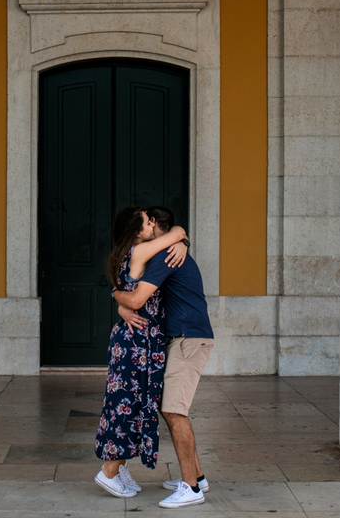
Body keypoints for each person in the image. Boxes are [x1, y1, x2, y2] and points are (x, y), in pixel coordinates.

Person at [114, 205, 213, 509]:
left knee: (173, 411)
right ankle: (197, 477)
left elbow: (137, 298)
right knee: (171, 408)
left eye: (147, 222)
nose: (146, 227)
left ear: (154, 224)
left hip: (187, 338)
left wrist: (116, 297)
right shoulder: (172, 248)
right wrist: (182, 239)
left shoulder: (163, 256)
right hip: (184, 337)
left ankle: (191, 488)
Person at [93, 206, 187, 499]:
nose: (152, 225)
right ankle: (109, 471)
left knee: (123, 402)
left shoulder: (122, 255)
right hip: (139, 343)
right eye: (147, 222)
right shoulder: (140, 251)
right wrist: (182, 240)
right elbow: (177, 232)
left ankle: (119, 468)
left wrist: (119, 302)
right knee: (130, 405)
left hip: (131, 339)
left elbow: (120, 291)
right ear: (136, 232)